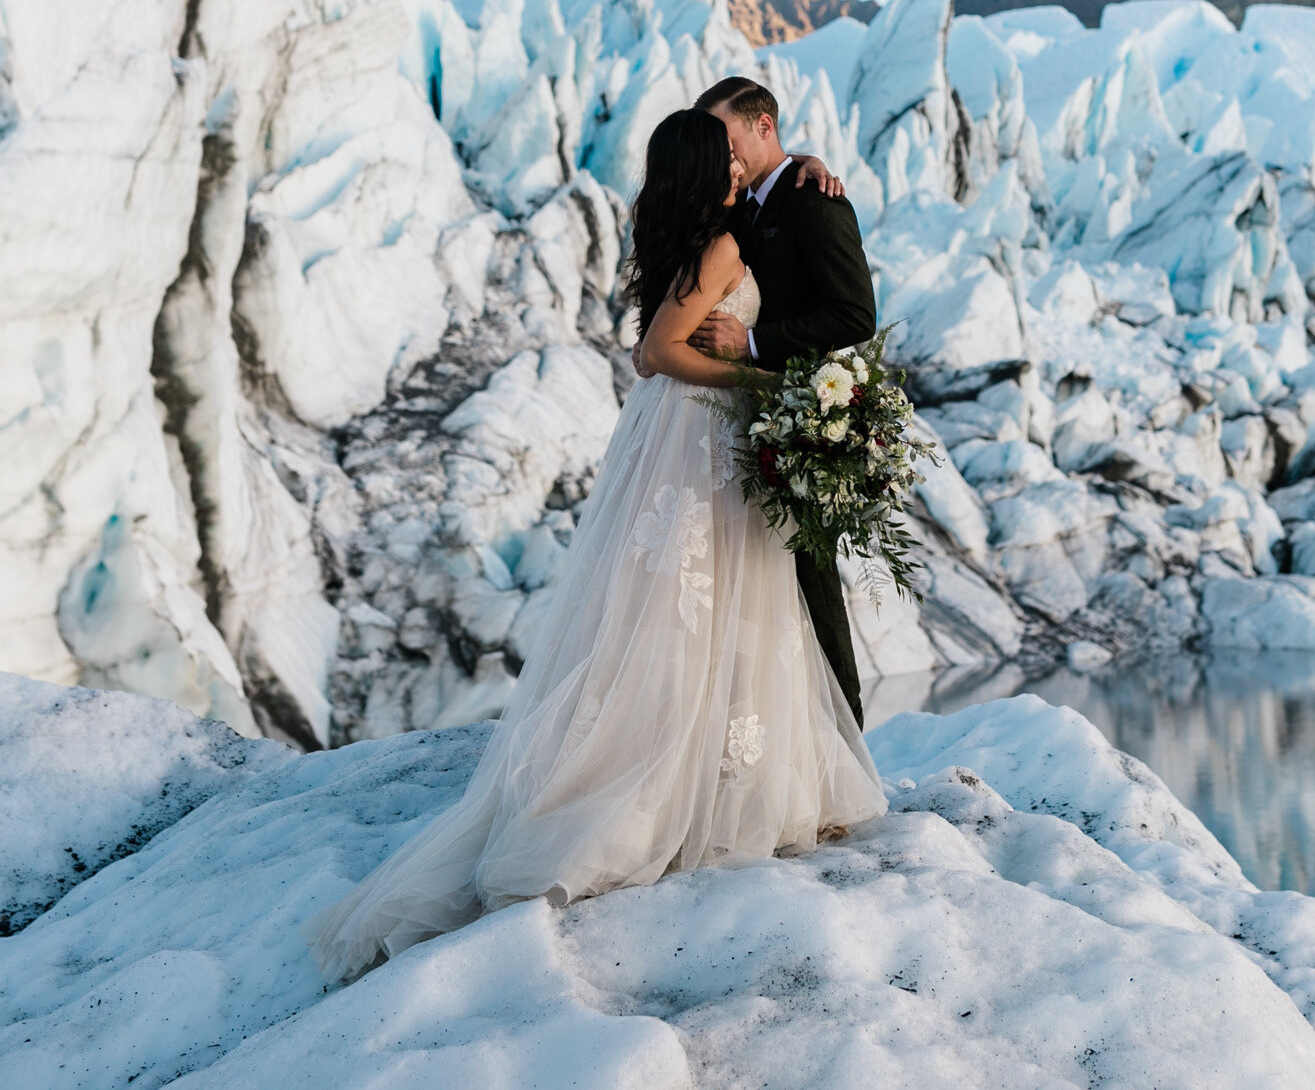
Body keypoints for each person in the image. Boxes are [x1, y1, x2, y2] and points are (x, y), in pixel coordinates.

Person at [307, 107, 886, 980]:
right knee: (707, 601)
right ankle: (678, 781)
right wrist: (761, 377)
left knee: (685, 607)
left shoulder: (696, 238)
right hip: (702, 431)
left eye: (742, 149)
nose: (738, 164)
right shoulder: (722, 251)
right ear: (707, 168)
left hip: (682, 434)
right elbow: (658, 351)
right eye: (725, 156)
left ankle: (694, 759)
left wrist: (800, 160)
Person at [684, 75, 877, 732]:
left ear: (763, 125)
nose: (722, 154)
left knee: (813, 582)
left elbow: (856, 312)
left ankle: (846, 746)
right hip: (747, 418)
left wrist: (755, 339)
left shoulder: (813, 200)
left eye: (729, 137)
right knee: (754, 589)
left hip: (805, 418)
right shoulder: (746, 201)